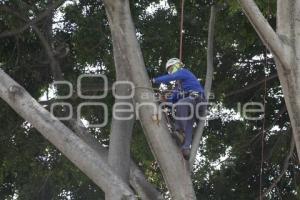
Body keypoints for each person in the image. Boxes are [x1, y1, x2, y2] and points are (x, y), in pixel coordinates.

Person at [152, 58, 205, 160]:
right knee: (189, 123)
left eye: (172, 69)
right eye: (169, 70)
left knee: (181, 103)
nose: (171, 71)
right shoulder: (178, 87)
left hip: (198, 100)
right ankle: (186, 149)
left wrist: (155, 80)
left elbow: (172, 77)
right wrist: (162, 101)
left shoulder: (184, 72)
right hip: (191, 106)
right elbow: (173, 100)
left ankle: (180, 131)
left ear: (177, 65)